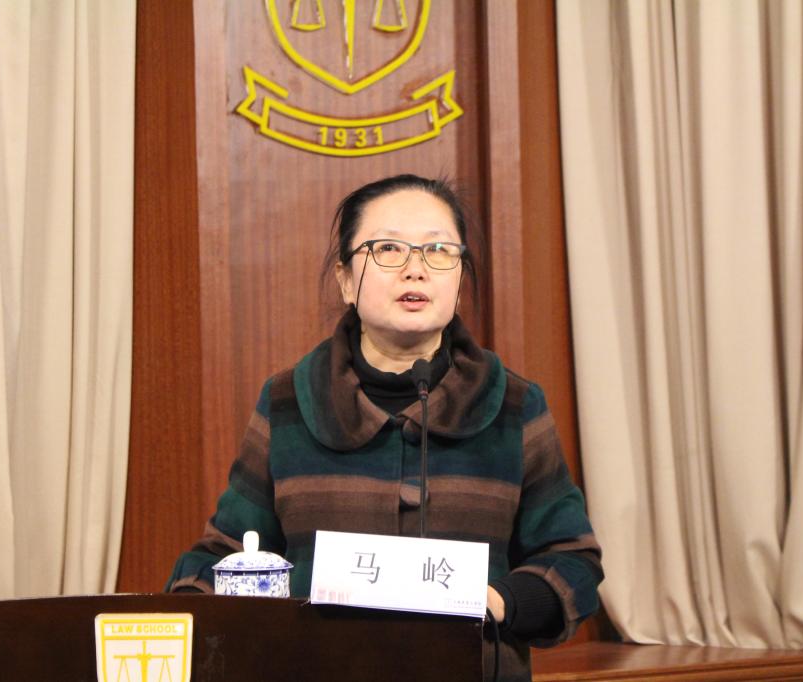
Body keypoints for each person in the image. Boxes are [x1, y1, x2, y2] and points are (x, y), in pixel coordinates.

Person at [167, 174, 603, 680]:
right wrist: (188, 611)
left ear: (460, 280)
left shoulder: (514, 404)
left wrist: (499, 600)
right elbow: (223, 554)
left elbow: (573, 561)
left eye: (438, 250)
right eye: (388, 249)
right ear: (345, 280)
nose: (416, 269)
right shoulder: (288, 401)